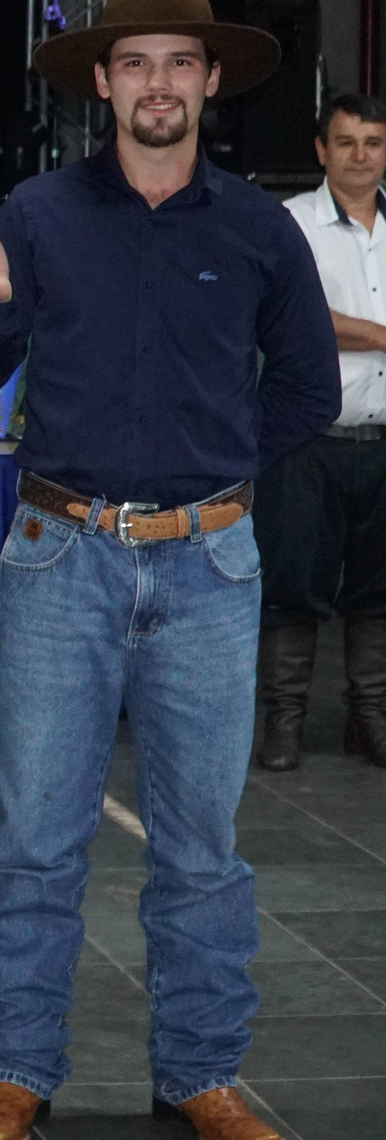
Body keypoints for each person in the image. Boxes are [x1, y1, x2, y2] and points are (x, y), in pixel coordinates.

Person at [0, 0, 336, 1140]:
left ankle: (200, 1075)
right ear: (101, 83)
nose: (156, 83)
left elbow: (309, 389)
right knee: (31, 840)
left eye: (179, 62)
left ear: (210, 81)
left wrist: (213, 475)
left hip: (208, 572)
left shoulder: (259, 227)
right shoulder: (35, 215)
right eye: (134, 63)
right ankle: (16, 1069)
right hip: (58, 556)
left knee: (202, 853)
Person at [255, 92, 386, 771]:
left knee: (379, 590)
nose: (360, 155)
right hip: (307, 440)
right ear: (320, 151)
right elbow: (300, 322)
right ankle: (284, 722)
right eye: (346, 142)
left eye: (372, 141)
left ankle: (369, 720)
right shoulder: (291, 224)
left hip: (382, 440)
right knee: (291, 583)